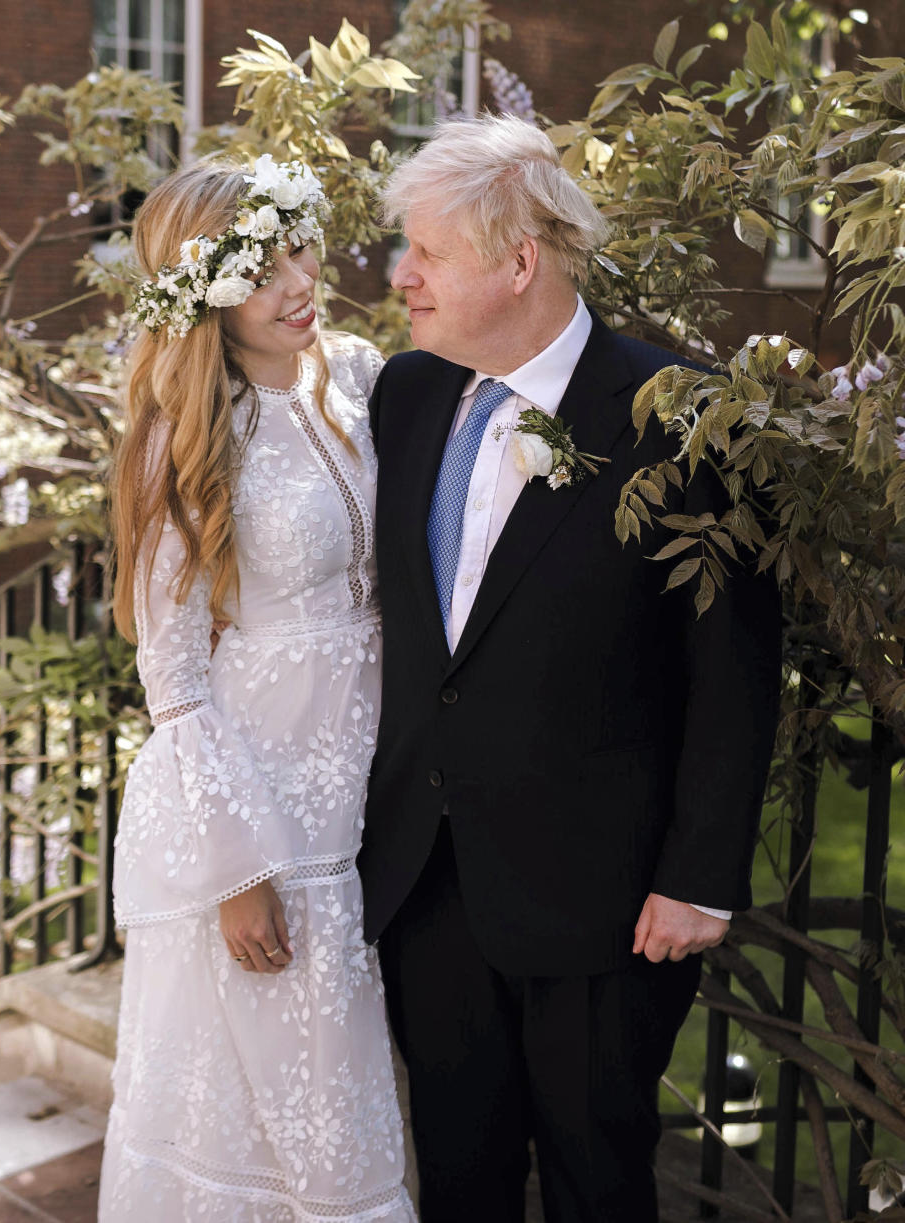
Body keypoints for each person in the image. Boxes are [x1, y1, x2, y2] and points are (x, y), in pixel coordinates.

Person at [357, 114, 782, 1223]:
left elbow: (733, 667)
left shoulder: (683, 417)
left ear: (518, 261)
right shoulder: (405, 398)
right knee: (457, 1176)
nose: (402, 277)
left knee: (599, 1179)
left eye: (426, 253)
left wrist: (699, 875)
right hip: (428, 880)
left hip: (607, 900)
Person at [99, 157, 415, 1222]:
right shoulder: (187, 436)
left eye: (300, 246)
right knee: (284, 1097)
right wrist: (238, 867)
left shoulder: (362, 373)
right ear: (203, 294)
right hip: (267, 804)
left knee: (361, 1076)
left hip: (384, 769)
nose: (298, 280)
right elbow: (176, 674)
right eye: (261, 266)